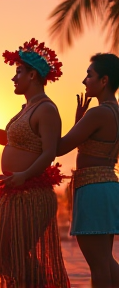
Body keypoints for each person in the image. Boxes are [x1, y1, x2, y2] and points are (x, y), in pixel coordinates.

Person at [0, 38, 70, 287]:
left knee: (9, 253)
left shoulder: (46, 109)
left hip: (31, 194)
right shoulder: (25, 108)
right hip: (14, 192)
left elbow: (49, 152)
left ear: (33, 75)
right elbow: (7, 140)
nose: (14, 78)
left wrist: (24, 175)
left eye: (18, 72)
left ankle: (35, 284)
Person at [57, 53, 119, 288]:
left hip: (93, 189)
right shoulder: (114, 112)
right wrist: (79, 120)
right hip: (108, 186)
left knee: (98, 264)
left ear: (104, 80)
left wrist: (43, 122)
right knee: (105, 260)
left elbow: (60, 147)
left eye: (89, 75)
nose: (85, 81)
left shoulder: (98, 113)